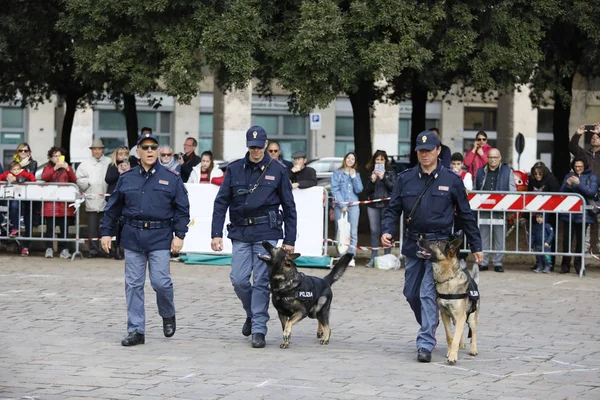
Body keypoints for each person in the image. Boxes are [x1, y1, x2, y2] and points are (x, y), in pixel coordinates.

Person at [381, 130, 483, 363]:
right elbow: (393, 209)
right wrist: (387, 230)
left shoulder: (451, 180)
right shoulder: (405, 178)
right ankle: (432, 322)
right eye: (421, 151)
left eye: (429, 150)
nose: (424, 155)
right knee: (411, 293)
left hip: (439, 250)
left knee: (428, 294)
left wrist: (476, 245)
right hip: (414, 244)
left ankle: (425, 342)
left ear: (438, 151)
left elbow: (466, 215)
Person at [100, 132, 190, 347]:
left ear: (158, 150)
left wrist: (179, 235)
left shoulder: (171, 178)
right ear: (137, 151)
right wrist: (106, 232)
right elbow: (112, 209)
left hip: (160, 237)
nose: (150, 151)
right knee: (133, 285)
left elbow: (182, 209)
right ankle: (136, 330)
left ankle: (168, 313)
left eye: (153, 147)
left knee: (161, 282)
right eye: (145, 147)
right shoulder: (127, 177)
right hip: (133, 236)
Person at [211, 125, 297, 349]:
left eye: (259, 147)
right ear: (247, 146)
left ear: (266, 145)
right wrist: (216, 233)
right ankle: (251, 313)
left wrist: (290, 239)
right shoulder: (234, 169)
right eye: (252, 147)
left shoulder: (277, 170)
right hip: (240, 232)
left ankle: (259, 328)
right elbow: (221, 202)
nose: (256, 151)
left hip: (266, 234)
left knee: (260, 282)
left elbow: (289, 206)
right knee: (238, 279)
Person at [474, 148, 516, 272]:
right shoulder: (480, 171)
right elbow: (475, 188)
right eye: (490, 157)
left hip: (500, 210)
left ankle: (498, 263)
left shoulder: (507, 171)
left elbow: (512, 190)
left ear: (500, 158)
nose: (493, 160)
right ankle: (484, 262)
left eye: (495, 157)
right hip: (484, 209)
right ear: (487, 158)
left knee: (500, 236)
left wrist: (509, 207)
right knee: (483, 236)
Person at [559, 156, 597, 275]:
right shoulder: (568, 176)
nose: (578, 169)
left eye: (580, 166)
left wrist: (579, 184)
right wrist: (567, 184)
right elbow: (560, 193)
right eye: (576, 166)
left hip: (584, 214)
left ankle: (579, 265)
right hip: (569, 213)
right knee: (566, 240)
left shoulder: (592, 177)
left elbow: (591, 192)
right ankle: (565, 265)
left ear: (585, 166)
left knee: (580, 241)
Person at [76, 139, 111, 258]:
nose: (97, 151)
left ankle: (105, 249)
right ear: (91, 150)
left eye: (99, 149)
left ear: (103, 150)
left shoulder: (109, 162)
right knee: (92, 228)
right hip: (92, 199)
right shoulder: (85, 164)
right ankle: (93, 250)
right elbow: (79, 179)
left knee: (105, 228)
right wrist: (88, 183)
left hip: (106, 200)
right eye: (95, 149)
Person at [42, 147, 78, 259]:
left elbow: (74, 180)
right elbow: (44, 177)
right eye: (55, 156)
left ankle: (64, 249)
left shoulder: (67, 167)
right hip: (50, 204)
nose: (57, 158)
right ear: (51, 158)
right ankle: (49, 249)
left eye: (59, 156)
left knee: (64, 229)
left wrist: (68, 169)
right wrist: (54, 169)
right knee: (50, 229)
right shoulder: (47, 168)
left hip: (64, 205)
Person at [569, 123, 600, 251]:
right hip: (585, 191)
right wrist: (578, 134)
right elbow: (572, 147)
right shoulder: (584, 154)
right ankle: (584, 248)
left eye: (597, 137)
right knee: (586, 221)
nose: (594, 137)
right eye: (593, 136)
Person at [330, 152, 363, 266]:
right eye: (348, 158)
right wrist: (342, 204)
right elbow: (334, 189)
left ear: (355, 162)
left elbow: (359, 190)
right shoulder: (337, 173)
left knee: (353, 231)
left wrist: (354, 177)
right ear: (345, 159)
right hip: (341, 206)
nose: (350, 160)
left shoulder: (356, 174)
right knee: (340, 231)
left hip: (354, 205)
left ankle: (350, 257)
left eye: (352, 159)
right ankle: (341, 255)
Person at [364, 149, 395, 267]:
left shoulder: (390, 172)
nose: (380, 162)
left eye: (382, 159)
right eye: (377, 159)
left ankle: (387, 258)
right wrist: (372, 181)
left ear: (385, 161)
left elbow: (394, 188)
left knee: (387, 232)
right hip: (373, 206)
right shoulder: (371, 172)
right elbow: (366, 191)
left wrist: (383, 178)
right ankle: (373, 258)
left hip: (387, 206)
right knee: (374, 231)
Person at [0, 161, 36, 256]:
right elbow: (1, 177)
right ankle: (15, 228)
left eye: (17, 169)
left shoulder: (23, 172)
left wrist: (32, 184)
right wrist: (6, 180)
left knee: (26, 218)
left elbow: (31, 176)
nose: (16, 171)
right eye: (14, 169)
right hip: (14, 197)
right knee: (14, 207)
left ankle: (25, 246)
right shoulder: (8, 174)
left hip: (25, 197)